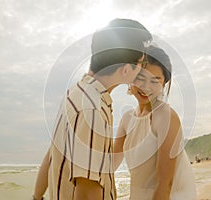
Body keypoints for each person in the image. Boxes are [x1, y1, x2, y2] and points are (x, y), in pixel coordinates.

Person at [33, 18, 152, 200]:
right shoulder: (92, 110)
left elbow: (51, 155)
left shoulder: (75, 93)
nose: (143, 70)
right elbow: (88, 192)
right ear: (127, 70)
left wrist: (36, 197)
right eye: (142, 64)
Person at [113, 45, 196, 200]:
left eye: (155, 81)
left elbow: (164, 184)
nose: (146, 87)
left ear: (164, 84)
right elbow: (111, 163)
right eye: (140, 78)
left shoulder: (166, 116)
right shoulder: (127, 119)